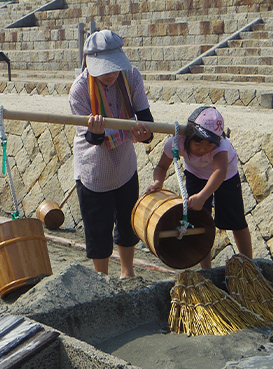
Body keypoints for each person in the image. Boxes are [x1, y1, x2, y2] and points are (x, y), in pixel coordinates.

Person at [69, 30, 154, 278]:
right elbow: (91, 137)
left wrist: (144, 134)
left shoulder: (131, 77)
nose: (111, 74)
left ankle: (127, 272)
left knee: (128, 223)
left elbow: (147, 121)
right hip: (93, 167)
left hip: (124, 164)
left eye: (114, 67)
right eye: (104, 69)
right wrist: (96, 131)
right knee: (98, 228)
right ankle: (102, 278)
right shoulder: (80, 89)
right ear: (89, 63)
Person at [146, 106, 253, 269]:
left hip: (226, 177)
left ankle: (248, 264)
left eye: (209, 144)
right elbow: (161, 167)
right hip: (196, 175)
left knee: (236, 220)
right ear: (188, 136)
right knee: (201, 222)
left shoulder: (221, 146)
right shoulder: (176, 142)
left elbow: (220, 172)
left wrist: (202, 197)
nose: (203, 149)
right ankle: (206, 269)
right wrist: (158, 182)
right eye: (198, 143)